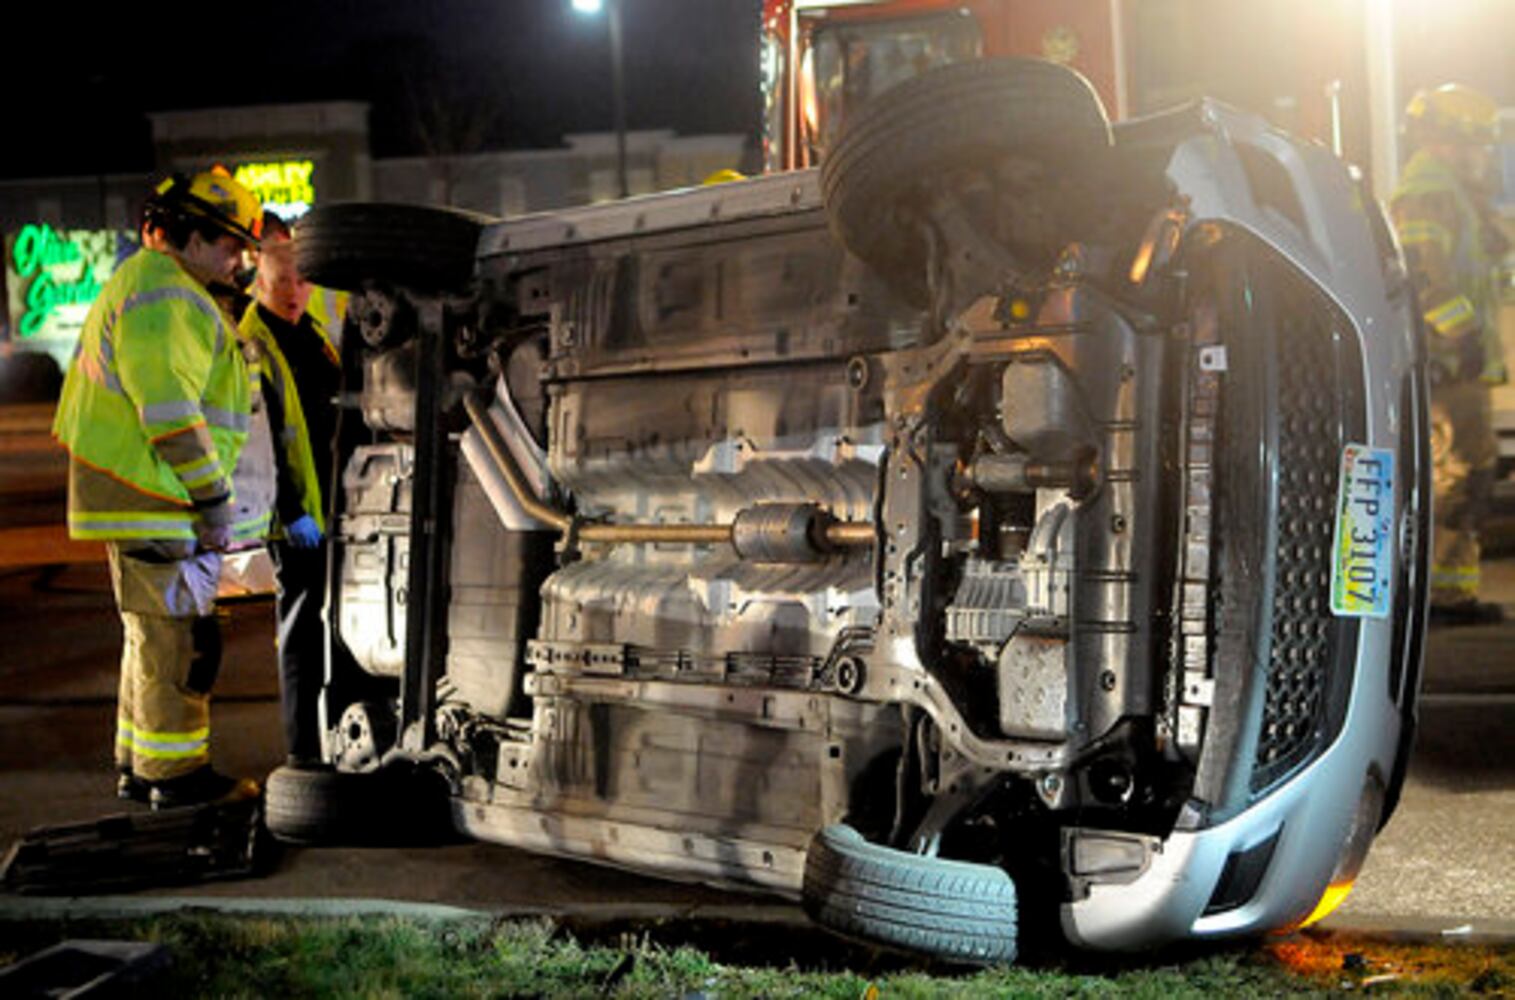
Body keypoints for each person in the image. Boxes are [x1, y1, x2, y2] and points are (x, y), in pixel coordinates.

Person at [52, 169, 265, 808]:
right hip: (160, 498)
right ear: (192, 236)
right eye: (231, 245)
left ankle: (137, 762)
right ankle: (175, 778)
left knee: (149, 637)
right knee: (181, 642)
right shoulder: (170, 297)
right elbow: (172, 417)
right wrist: (214, 502)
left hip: (138, 496)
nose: (240, 261)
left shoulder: (148, 285)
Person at [1389, 84, 1509, 625]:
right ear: (1448, 140)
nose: (1484, 155)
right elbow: (1426, 279)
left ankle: (1450, 591)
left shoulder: (1454, 197)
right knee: (1460, 472)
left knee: (1469, 469)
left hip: (1459, 364)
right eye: (1478, 143)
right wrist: (1461, 340)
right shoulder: (1429, 193)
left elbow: (1481, 278)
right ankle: (1440, 596)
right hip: (1450, 365)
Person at [238, 212, 342, 767]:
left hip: (332, 504)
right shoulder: (255, 342)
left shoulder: (313, 334)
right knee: (301, 635)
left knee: (330, 631)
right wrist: (293, 510)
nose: (295, 293)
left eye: (301, 281)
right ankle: (304, 752)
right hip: (296, 516)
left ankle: (328, 741)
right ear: (261, 280)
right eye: (282, 284)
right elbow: (263, 443)